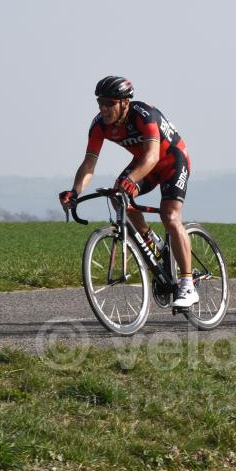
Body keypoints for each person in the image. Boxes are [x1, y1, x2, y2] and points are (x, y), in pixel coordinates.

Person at [59, 76, 198, 308]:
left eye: (109, 103)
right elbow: (89, 164)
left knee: (170, 216)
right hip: (146, 164)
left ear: (125, 102)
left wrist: (132, 179)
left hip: (172, 161)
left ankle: (187, 284)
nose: (104, 108)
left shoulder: (144, 114)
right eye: (100, 103)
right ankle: (150, 239)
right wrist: (74, 192)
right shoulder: (99, 125)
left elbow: (153, 155)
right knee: (118, 195)